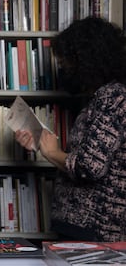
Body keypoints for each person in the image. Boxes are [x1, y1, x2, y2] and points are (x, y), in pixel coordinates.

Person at [15, 16, 126, 242]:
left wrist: (52, 152)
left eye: (67, 61)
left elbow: (90, 167)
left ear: (85, 59)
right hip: (82, 224)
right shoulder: (99, 98)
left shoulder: (113, 97)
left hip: (95, 226)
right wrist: (41, 144)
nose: (63, 67)